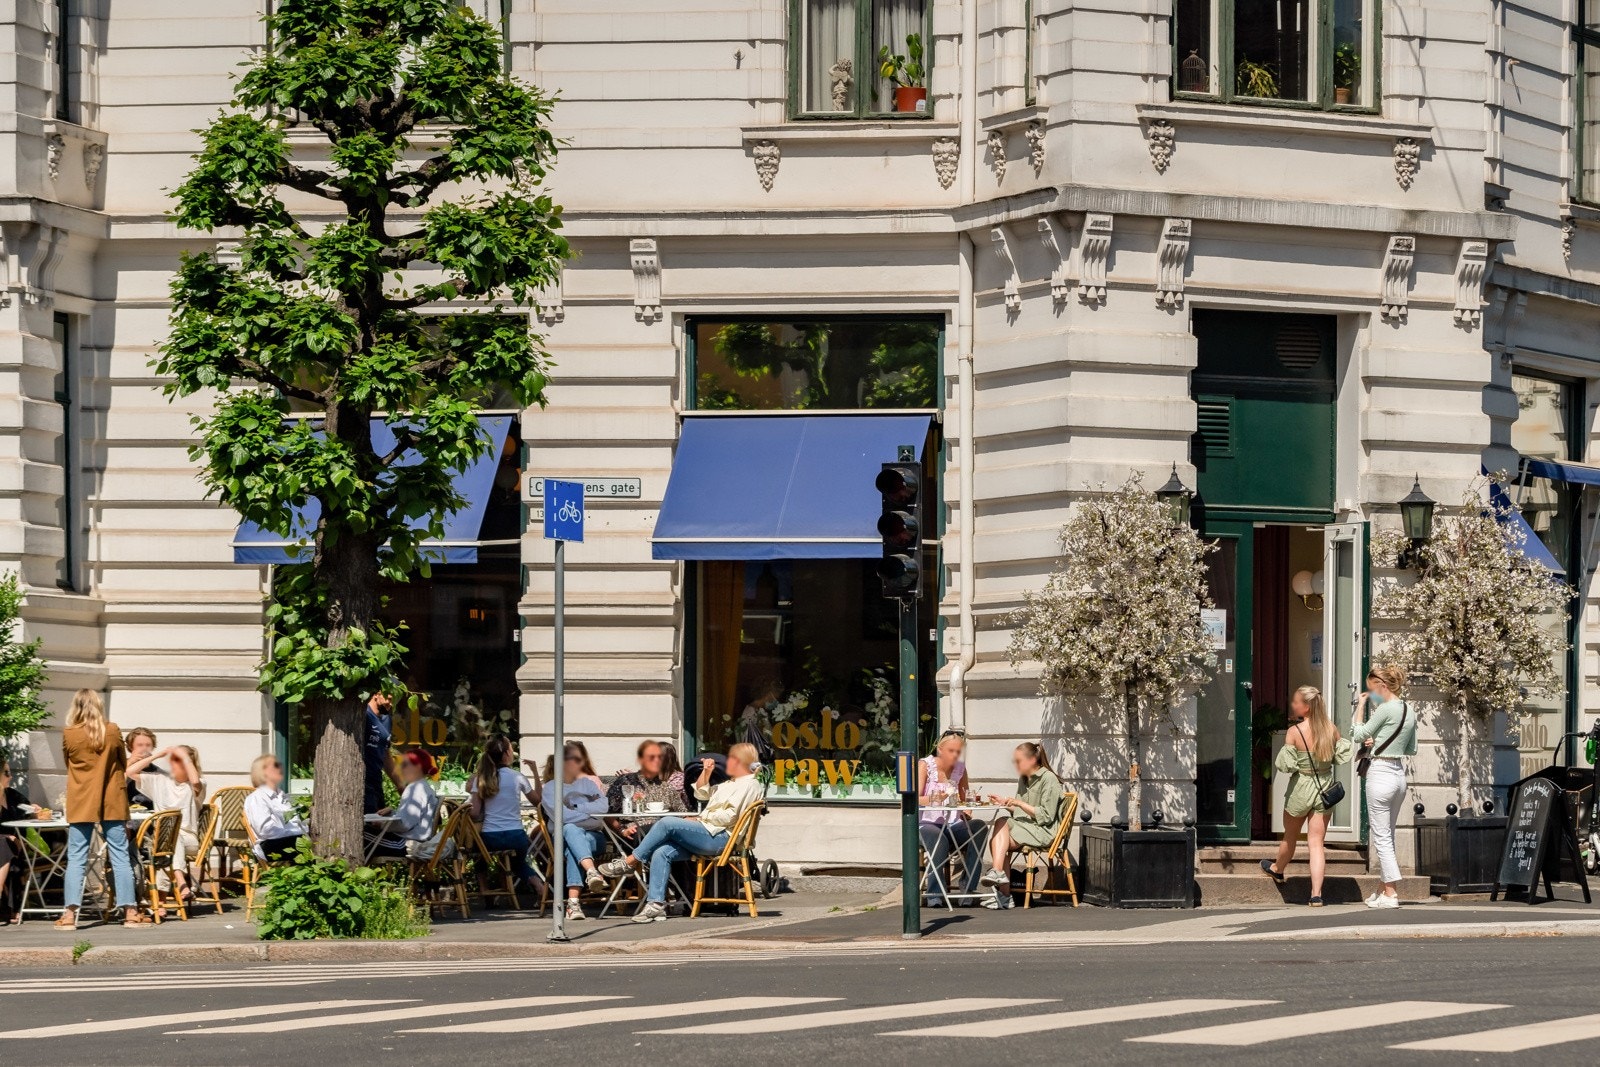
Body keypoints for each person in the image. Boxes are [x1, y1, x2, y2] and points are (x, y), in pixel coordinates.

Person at [597, 742, 765, 924]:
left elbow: (730, 817)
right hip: (709, 833)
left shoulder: (750, 785)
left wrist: (700, 819)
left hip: (722, 838)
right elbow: (701, 794)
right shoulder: (730, 783)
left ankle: (631, 861)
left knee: (667, 822)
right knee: (661, 851)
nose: (726, 762)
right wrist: (706, 773)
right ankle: (656, 905)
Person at [58, 689, 147, 929]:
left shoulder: (69, 733)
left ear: (76, 706)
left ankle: (69, 915)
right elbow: (120, 760)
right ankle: (130, 912)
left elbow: (69, 764)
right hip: (112, 798)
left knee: (76, 857)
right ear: (98, 705)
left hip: (81, 799)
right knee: (120, 855)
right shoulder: (112, 730)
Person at [1260, 686, 1353, 906]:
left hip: (1301, 787)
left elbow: (1285, 765)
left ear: (1307, 707)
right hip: (1324, 787)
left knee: (1289, 837)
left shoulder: (1295, 732)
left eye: (1296, 702)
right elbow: (1341, 757)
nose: (1293, 705)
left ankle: (1277, 869)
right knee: (1316, 843)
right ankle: (1316, 894)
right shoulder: (1331, 730)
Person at [1352, 665, 1416, 909]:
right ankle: (1381, 890)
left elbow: (1358, 734)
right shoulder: (1408, 710)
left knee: (1381, 837)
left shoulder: (1384, 709)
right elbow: (1410, 747)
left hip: (1380, 774)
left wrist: (1359, 708)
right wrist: (1379, 741)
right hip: (1399, 775)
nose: (1371, 695)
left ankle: (1391, 893)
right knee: (1387, 834)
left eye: (1372, 690)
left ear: (1382, 686)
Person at [978, 742, 1065, 910]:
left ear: (1032, 760)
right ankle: (1000, 879)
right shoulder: (1024, 779)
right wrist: (1005, 803)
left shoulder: (1048, 779)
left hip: (1043, 830)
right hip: (1027, 826)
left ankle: (1003, 892)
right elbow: (1020, 812)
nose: (1016, 765)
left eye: (1018, 761)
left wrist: (1017, 802)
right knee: (1000, 829)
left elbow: (1046, 816)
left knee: (998, 840)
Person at [125, 743, 205, 908]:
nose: (174, 765)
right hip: (162, 841)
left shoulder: (196, 786)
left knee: (173, 839)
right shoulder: (160, 780)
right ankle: (162, 902)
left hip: (189, 840)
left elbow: (195, 780)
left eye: (179, 762)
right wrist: (156, 756)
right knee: (167, 847)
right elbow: (130, 772)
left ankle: (178, 881)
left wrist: (184, 757)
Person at [543, 741, 611, 921]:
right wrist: (589, 814)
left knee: (572, 836)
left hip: (595, 837)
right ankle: (592, 872)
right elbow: (561, 817)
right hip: (564, 839)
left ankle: (574, 904)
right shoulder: (551, 788)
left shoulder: (587, 784)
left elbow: (603, 807)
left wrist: (575, 806)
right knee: (571, 832)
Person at [918, 728, 985, 907]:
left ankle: (967, 885)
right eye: (951, 751)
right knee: (938, 839)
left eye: (958, 752)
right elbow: (913, 799)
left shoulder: (960, 769)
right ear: (940, 750)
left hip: (953, 823)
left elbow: (965, 799)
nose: (955, 755)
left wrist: (968, 811)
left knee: (979, 828)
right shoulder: (925, 765)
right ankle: (934, 891)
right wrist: (934, 799)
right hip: (926, 823)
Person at [468, 735, 540, 886]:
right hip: (516, 836)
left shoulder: (481, 778)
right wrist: (535, 773)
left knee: (477, 854)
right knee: (518, 865)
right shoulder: (517, 777)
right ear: (507, 754)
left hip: (491, 837)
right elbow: (537, 802)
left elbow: (474, 812)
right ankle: (539, 886)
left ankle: (485, 892)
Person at [368, 749, 444, 860]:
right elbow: (412, 818)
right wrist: (392, 814)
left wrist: (381, 824)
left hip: (406, 844)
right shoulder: (424, 787)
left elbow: (405, 824)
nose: (401, 769)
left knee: (359, 834)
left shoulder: (415, 789)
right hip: (414, 842)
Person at [607, 740, 689, 843]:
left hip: (665, 829)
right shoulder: (626, 782)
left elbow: (684, 814)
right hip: (636, 829)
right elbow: (607, 812)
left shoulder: (666, 787)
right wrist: (622, 830)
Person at [244, 754, 306, 860]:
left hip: (289, 840)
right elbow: (265, 830)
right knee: (312, 843)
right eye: (275, 766)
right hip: (270, 846)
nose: (280, 768)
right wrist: (298, 833)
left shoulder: (283, 797)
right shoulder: (258, 798)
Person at [0, 759, 34, 925]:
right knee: (5, 844)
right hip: (8, 845)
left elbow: (30, 809)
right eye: (6, 773)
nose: (10, 776)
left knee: (9, 848)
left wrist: (36, 811)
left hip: (14, 846)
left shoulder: (12, 795)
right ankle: (12, 907)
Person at [363, 692, 401, 816]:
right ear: (376, 694)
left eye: (393, 700)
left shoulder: (387, 719)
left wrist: (400, 784)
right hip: (362, 781)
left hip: (376, 781)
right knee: (370, 824)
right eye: (389, 699)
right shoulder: (364, 715)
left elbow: (385, 753)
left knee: (378, 823)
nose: (391, 704)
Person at [123, 727, 162, 808]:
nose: (144, 748)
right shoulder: (120, 766)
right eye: (140, 745)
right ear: (130, 747)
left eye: (148, 745)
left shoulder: (158, 772)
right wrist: (130, 762)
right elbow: (113, 788)